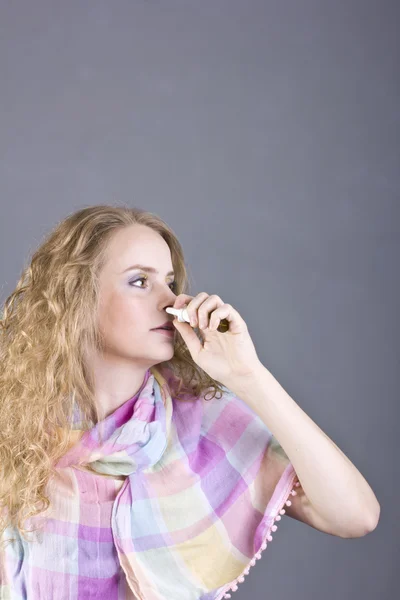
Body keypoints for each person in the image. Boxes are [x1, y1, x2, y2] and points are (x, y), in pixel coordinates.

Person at [0, 205, 379, 599]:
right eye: (140, 281)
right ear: (77, 296)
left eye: (169, 281)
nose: (171, 301)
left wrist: (248, 377)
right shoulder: (12, 426)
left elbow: (355, 516)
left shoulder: (206, 421)